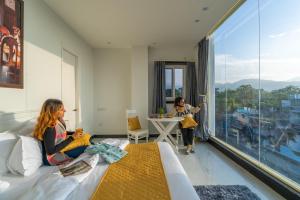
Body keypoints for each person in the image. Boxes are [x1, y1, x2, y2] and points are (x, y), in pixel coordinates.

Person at [33, 99, 87, 166]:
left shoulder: (57, 121)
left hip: (61, 150)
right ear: (54, 112)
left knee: (87, 140)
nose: (65, 111)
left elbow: (60, 133)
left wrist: (73, 133)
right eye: (62, 109)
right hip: (53, 156)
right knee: (87, 148)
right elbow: (50, 151)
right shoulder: (49, 128)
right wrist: (72, 138)